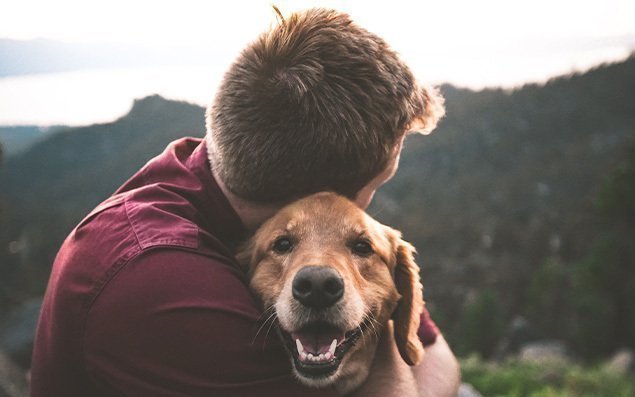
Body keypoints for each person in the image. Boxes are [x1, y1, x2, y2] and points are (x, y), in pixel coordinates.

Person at [31, 8, 460, 397]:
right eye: (377, 183)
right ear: (322, 197)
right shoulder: (163, 283)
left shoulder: (221, 170)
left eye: (358, 242)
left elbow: (435, 354)